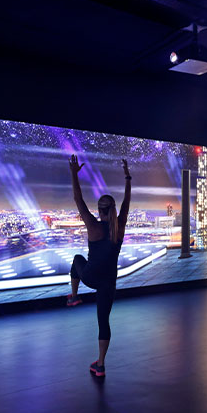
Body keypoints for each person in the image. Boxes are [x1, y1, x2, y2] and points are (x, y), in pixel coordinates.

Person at [66, 154, 131, 377]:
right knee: (103, 321)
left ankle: (74, 296)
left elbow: (78, 200)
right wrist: (128, 178)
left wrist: (74, 175)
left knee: (76, 259)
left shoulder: (94, 226)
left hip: (91, 277)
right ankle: (100, 365)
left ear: (100, 211)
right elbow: (127, 204)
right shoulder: (119, 227)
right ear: (112, 210)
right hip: (108, 283)